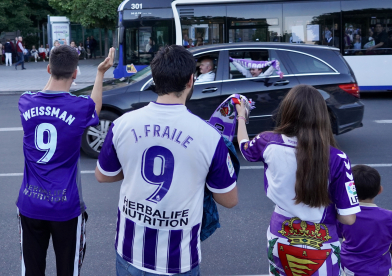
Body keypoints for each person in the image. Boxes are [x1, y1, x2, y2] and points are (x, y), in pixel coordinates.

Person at [95, 45, 238, 275]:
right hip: (179, 260)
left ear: (154, 79)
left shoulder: (122, 123)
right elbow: (229, 199)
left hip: (129, 251)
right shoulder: (210, 136)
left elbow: (103, 175)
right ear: (191, 80)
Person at [235, 84, 360, 276]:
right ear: (322, 116)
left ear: (287, 110)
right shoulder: (337, 158)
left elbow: (244, 146)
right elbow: (348, 217)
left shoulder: (267, 141)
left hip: (280, 236)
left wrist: (241, 116)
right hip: (322, 242)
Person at [17, 45, 115, 276]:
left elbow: (43, 93)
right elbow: (96, 107)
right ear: (75, 73)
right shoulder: (80, 107)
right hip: (66, 206)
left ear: (48, 68)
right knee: (67, 271)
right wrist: (100, 73)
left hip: (30, 204)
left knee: (32, 271)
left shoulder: (25, 102)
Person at [337, 165, 392, 275]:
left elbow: (337, 234)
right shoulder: (390, 217)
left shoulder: (344, 215)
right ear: (380, 190)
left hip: (350, 268)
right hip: (379, 270)